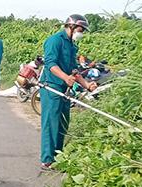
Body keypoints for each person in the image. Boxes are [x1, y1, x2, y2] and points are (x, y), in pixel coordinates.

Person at [39, 14, 98, 170]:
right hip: (51, 86)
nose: (81, 33)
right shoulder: (54, 41)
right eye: (80, 29)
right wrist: (65, 77)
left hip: (65, 88)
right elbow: (50, 63)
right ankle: (47, 159)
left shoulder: (72, 45)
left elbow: (74, 69)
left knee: (63, 122)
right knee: (51, 122)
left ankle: (58, 157)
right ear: (71, 26)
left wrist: (87, 85)